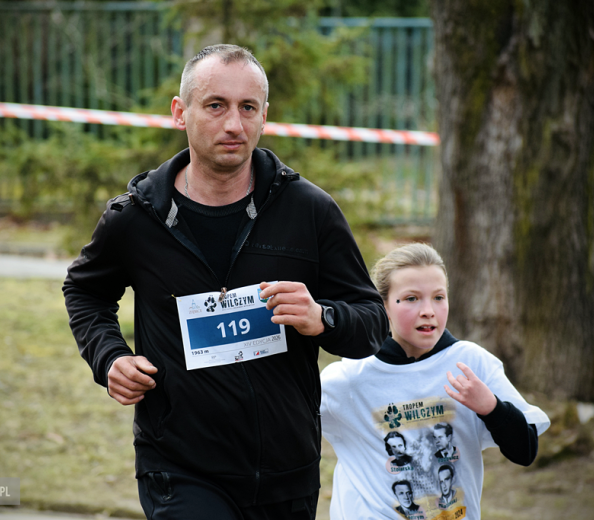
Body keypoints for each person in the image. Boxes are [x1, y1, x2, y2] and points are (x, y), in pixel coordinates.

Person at [62, 44, 388, 520]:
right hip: (178, 469)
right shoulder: (137, 218)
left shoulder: (309, 211)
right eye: (216, 105)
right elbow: (85, 291)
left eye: (247, 108)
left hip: (285, 473)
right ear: (181, 112)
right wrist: (108, 357)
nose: (233, 124)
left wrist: (323, 318)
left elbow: (372, 323)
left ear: (264, 116)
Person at [320, 243, 550, 520]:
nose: (428, 310)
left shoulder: (471, 364)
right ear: (383, 307)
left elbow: (525, 451)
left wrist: (491, 407)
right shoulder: (347, 380)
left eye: (439, 297)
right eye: (411, 298)